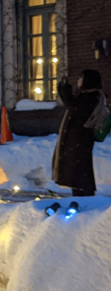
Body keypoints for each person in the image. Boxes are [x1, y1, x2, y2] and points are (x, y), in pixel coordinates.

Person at [52, 69, 105, 197]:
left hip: (81, 141)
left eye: (82, 78)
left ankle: (85, 198)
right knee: (75, 172)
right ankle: (80, 194)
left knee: (80, 172)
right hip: (76, 140)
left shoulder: (92, 98)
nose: (79, 81)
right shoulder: (85, 96)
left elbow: (74, 107)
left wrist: (65, 91)